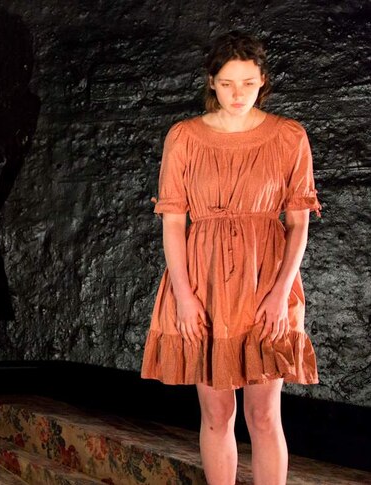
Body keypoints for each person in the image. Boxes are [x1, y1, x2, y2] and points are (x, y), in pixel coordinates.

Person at [141, 31, 320, 485]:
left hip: (267, 281)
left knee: (263, 415)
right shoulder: (183, 137)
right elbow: (174, 223)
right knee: (217, 413)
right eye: (226, 83)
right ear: (211, 83)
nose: (237, 94)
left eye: (247, 82)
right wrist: (183, 296)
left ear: (263, 82)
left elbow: (299, 223)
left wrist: (281, 296)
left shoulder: (289, 136)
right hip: (204, 282)